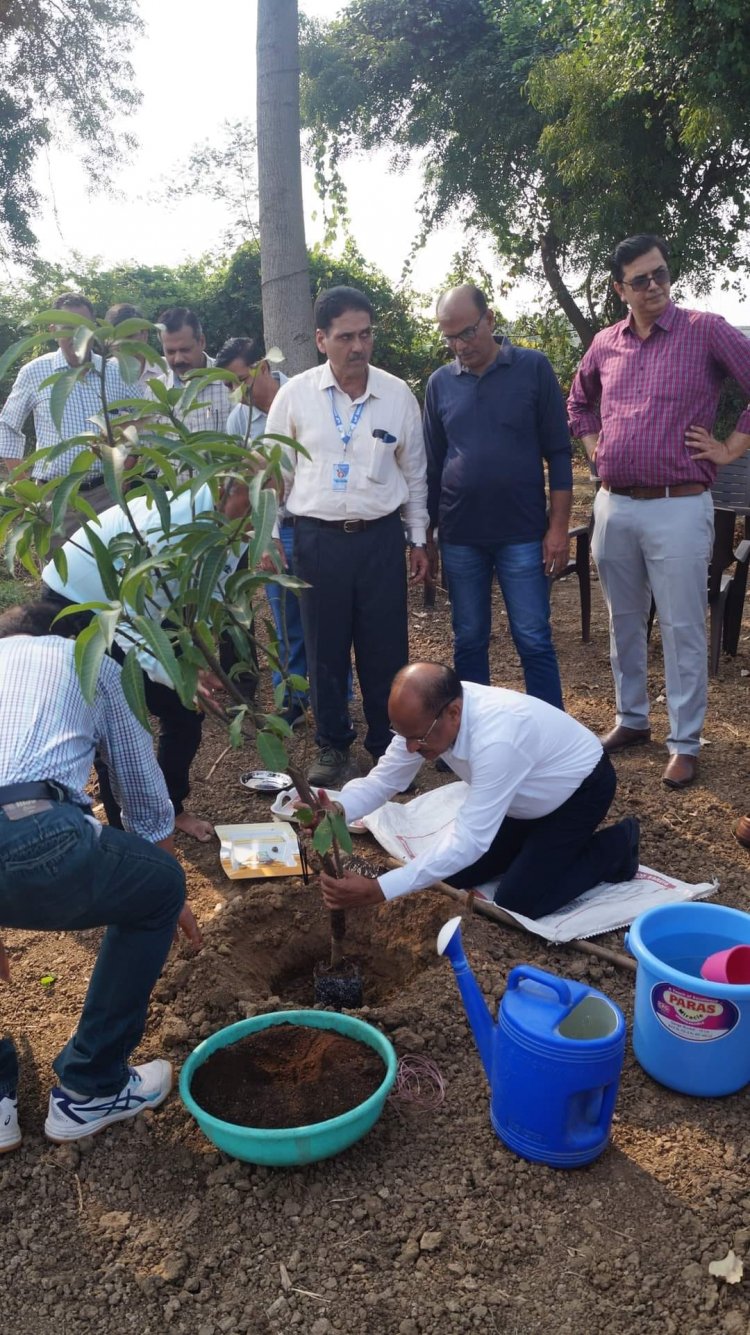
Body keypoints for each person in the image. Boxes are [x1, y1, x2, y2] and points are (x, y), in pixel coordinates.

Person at [0, 601, 202, 1152]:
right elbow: (141, 791)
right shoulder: (91, 661)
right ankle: (90, 1087)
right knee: (157, 887)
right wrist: (166, 886)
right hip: (31, 826)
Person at [568, 234, 750, 790]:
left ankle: (686, 740)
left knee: (681, 626)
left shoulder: (706, 330)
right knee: (624, 621)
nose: (655, 286)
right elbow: (577, 401)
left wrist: (730, 448)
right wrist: (595, 448)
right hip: (615, 506)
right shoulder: (605, 343)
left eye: (661, 274)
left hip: (679, 504)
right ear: (620, 288)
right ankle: (632, 719)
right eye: (641, 279)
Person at [266, 285, 430, 788]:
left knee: (385, 647)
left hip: (380, 539)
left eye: (365, 335)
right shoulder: (295, 396)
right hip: (316, 541)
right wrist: (270, 534)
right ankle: (333, 746)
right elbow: (277, 471)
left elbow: (416, 472)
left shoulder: (396, 394)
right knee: (324, 648)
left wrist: (418, 538)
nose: (358, 347)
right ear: (321, 339)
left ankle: (388, 747)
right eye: (345, 337)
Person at [318, 662, 639, 916]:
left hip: (580, 791)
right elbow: (384, 780)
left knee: (519, 899)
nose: (412, 747)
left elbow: (470, 841)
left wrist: (380, 889)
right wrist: (339, 810)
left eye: (419, 737)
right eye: (403, 736)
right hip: (520, 799)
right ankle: (533, 844)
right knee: (451, 876)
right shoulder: (425, 721)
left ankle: (618, 845)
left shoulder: (498, 738)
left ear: (454, 713)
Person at [40, 479, 255, 842]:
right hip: (82, 599)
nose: (264, 514)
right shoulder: (168, 528)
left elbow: (203, 593)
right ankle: (126, 833)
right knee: (117, 720)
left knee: (185, 711)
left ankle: (171, 806)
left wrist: (192, 658)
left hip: (144, 602)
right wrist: (176, 673)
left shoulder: (236, 527)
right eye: (255, 501)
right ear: (224, 488)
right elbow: (128, 622)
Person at [425, 284, 572, 709]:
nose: (459, 345)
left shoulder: (533, 368)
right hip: (461, 535)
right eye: (449, 337)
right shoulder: (440, 384)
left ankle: (551, 736)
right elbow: (432, 465)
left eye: (467, 333)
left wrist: (558, 528)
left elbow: (559, 454)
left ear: (490, 320)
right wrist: (428, 534)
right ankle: (472, 731)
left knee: (532, 636)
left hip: (523, 534)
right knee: (469, 638)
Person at [216, 337, 303, 722]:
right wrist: (261, 537)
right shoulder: (239, 418)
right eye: (228, 386)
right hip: (271, 529)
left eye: (240, 380)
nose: (237, 392)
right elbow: (243, 486)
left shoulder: (304, 395)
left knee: (323, 619)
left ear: (264, 366)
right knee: (283, 620)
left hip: (314, 524)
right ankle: (293, 704)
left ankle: (336, 699)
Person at [0, 292, 134, 538]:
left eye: (83, 327)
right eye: (67, 328)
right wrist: (21, 483)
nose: (76, 336)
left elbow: (139, 420)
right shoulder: (35, 372)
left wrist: (128, 468)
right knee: (60, 574)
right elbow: (7, 426)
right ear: (53, 330)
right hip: (56, 499)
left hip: (108, 494)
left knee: (114, 571)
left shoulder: (114, 371)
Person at [157, 306, 231, 431]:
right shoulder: (155, 393)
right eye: (170, 352)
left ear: (201, 342)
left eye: (185, 350)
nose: (178, 359)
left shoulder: (229, 382)